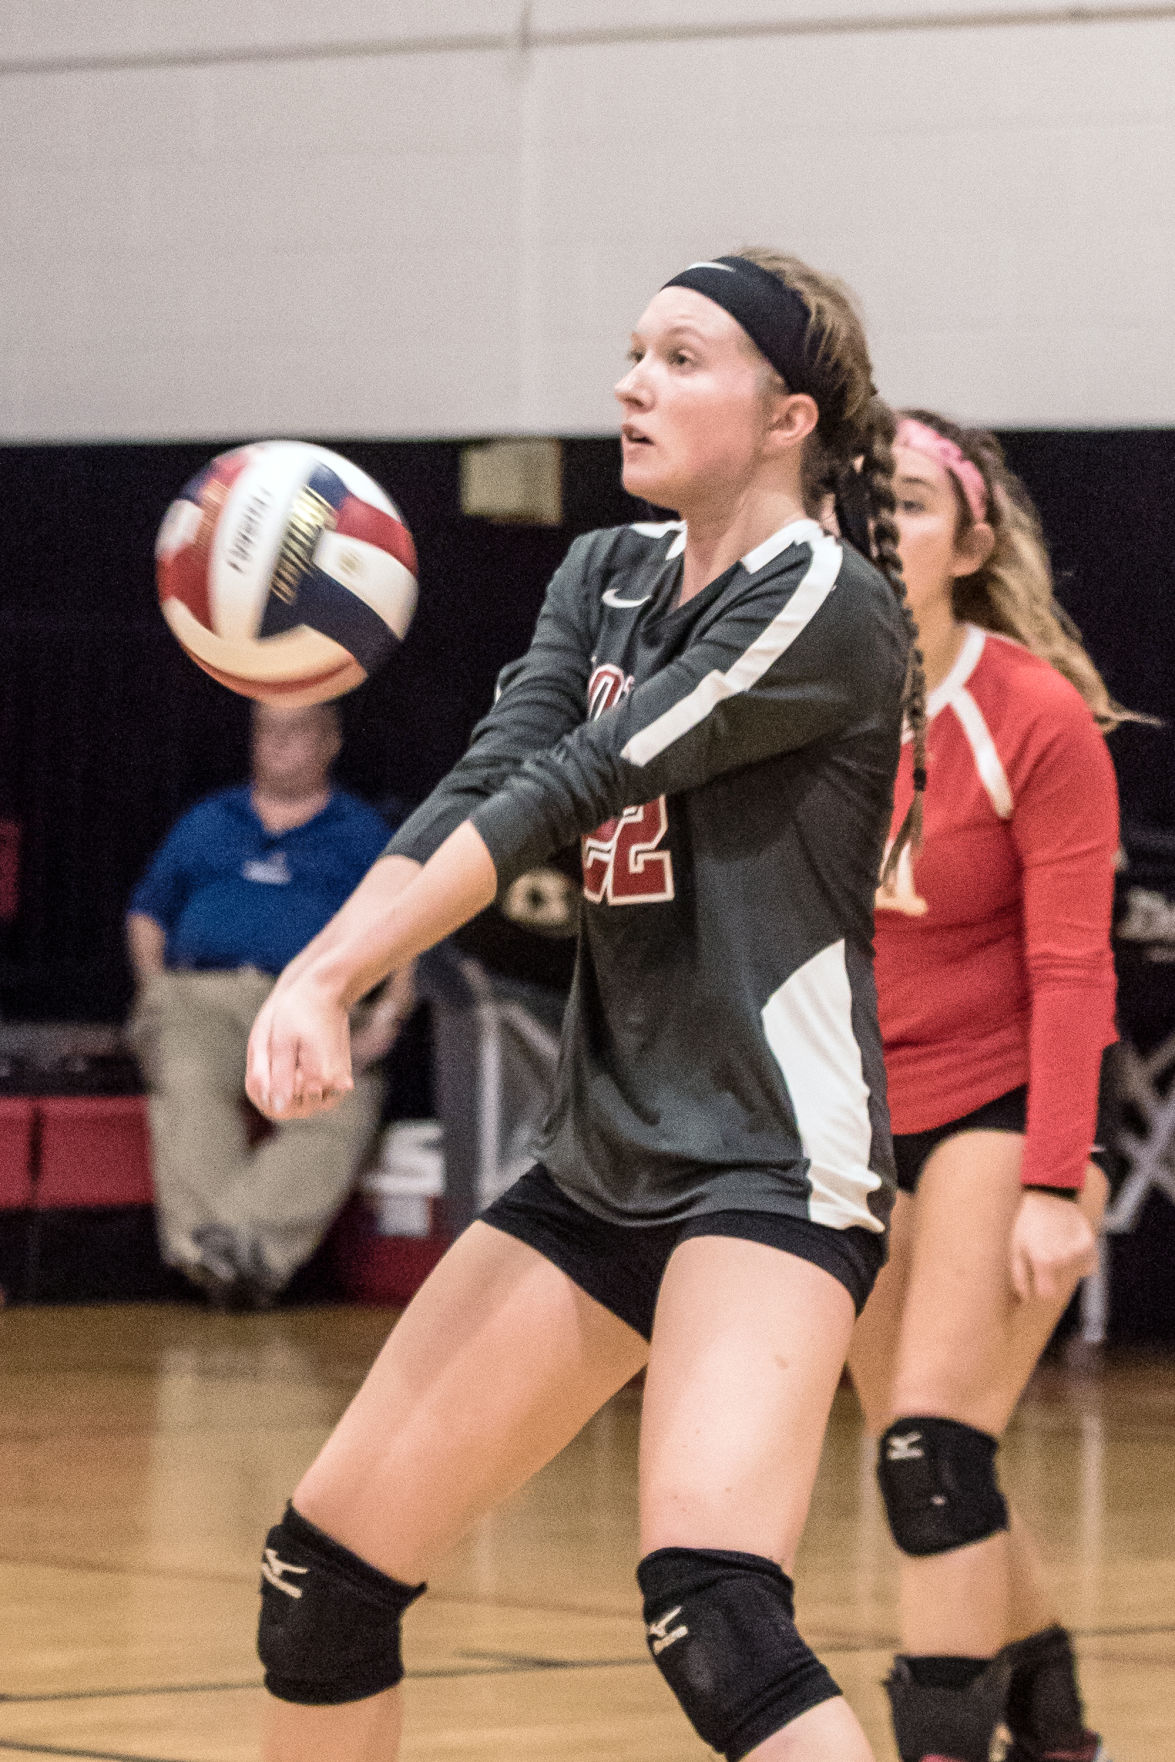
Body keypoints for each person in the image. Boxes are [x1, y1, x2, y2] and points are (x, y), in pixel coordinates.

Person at [244, 249, 922, 1761]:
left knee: (713, 1609)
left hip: (767, 1161)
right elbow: (493, 773)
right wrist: (323, 966)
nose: (630, 382)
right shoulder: (602, 574)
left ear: (784, 416)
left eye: (680, 358)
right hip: (602, 1156)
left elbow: (577, 785)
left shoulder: (820, 598)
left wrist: (332, 966)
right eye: (630, 351)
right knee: (322, 1584)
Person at [848, 411, 1126, 1762]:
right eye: (855, 501)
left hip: (995, 1104)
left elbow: (1073, 968)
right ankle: (1053, 1711)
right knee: (922, 1461)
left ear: (967, 539)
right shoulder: (799, 701)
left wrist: (1052, 1180)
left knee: (927, 1454)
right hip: (843, 1116)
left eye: (903, 501)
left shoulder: (1032, 713)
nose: (875, 523)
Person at [127, 701, 412, 1308]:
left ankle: (224, 1249)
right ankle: (236, 1257)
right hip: (201, 995)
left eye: (297, 730)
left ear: (330, 741)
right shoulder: (208, 819)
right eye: (267, 731)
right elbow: (148, 911)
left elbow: (409, 923)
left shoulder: (361, 831)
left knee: (343, 1106)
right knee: (188, 1081)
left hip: (315, 999)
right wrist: (154, 988)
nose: (280, 744)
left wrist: (389, 1012)